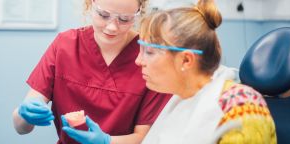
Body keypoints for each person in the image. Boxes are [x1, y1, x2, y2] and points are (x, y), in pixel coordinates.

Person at [12, 0, 171, 143]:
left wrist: (106, 142)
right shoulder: (65, 46)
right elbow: (21, 128)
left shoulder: (149, 56)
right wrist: (24, 113)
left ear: (138, 13)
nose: (112, 27)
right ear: (90, 5)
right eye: (103, 15)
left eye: (124, 19)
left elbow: (146, 138)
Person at [133, 0, 277, 143]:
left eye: (149, 52)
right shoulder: (180, 99)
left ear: (186, 60)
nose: (138, 61)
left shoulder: (241, 107)